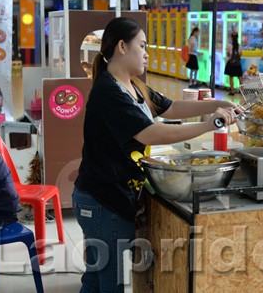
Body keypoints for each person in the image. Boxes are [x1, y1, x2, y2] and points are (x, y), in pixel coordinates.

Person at [72, 17, 242, 293]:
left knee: (96, 278)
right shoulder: (108, 91)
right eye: (142, 45)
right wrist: (210, 124)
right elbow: (151, 134)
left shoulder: (133, 85)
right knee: (110, 283)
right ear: (122, 47)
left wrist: (223, 103)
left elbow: (171, 108)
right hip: (102, 200)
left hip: (106, 195)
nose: (147, 53)